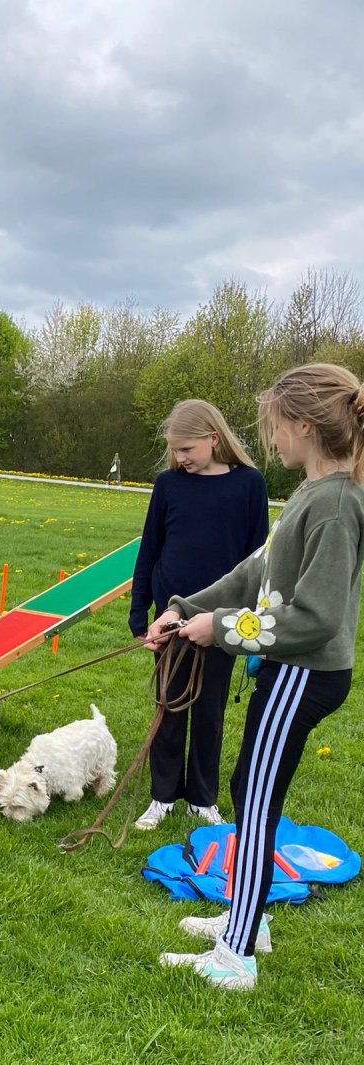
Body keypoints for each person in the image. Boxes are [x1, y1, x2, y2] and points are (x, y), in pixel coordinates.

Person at [147, 363, 364, 991]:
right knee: (250, 790)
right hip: (286, 669)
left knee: (255, 796)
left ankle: (236, 956)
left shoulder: (337, 504)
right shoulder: (312, 494)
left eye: (274, 426)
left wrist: (224, 630)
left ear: (302, 425)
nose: (270, 440)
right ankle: (250, 923)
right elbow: (256, 573)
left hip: (304, 673)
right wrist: (188, 608)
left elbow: (317, 619)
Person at [130, 399, 269, 830]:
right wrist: (140, 612)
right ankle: (163, 795)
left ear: (213, 438)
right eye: (174, 450)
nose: (179, 458)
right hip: (168, 617)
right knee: (169, 705)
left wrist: (252, 620)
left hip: (222, 620)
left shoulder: (249, 484)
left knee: (209, 709)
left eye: (187, 448)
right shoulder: (168, 485)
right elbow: (149, 549)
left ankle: (202, 798)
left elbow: (259, 557)